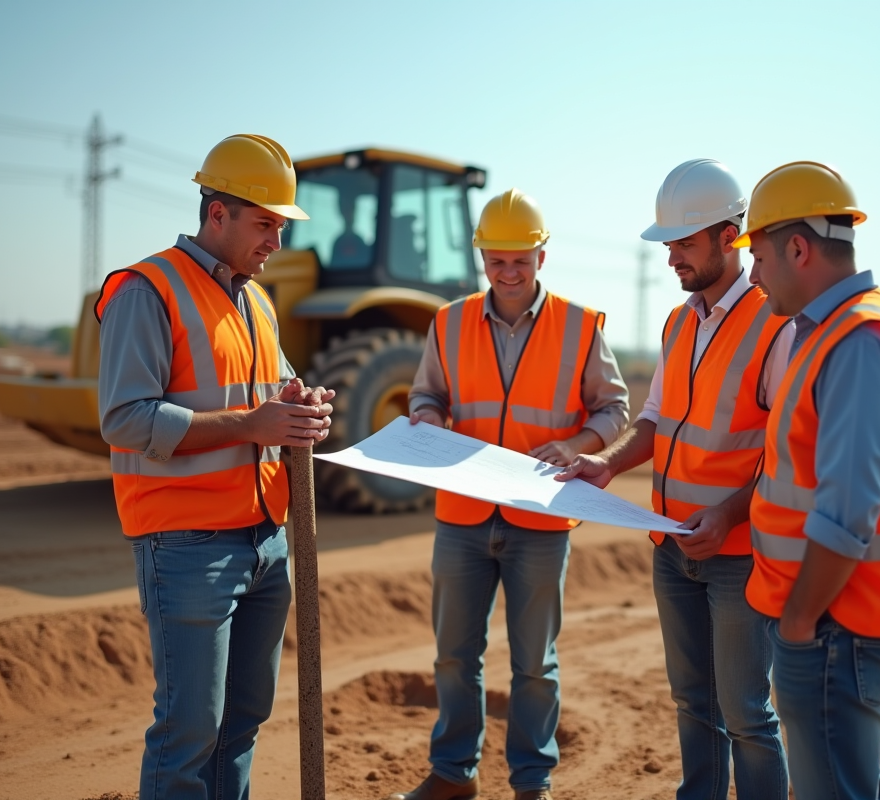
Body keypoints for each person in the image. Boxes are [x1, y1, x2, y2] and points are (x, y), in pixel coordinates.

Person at [95, 133, 334, 800]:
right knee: (188, 734)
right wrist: (252, 425)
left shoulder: (257, 301)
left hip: (265, 539)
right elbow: (124, 419)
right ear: (218, 213)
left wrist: (302, 406)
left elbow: (275, 394)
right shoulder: (148, 290)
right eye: (265, 224)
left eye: (281, 227)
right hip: (187, 544)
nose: (275, 243)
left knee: (241, 726)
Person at [556, 159, 792, 799]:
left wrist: (728, 517)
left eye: (683, 244)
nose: (671, 260)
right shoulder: (679, 321)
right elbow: (657, 419)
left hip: (737, 554)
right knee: (694, 703)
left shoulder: (777, 323)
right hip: (671, 546)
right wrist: (607, 462)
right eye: (668, 246)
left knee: (747, 715)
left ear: (729, 236)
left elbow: (784, 454)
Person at [391, 188, 630, 800]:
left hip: (541, 520)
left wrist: (578, 443)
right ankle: (453, 775)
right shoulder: (448, 322)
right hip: (462, 518)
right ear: (483, 261)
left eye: (520, 260)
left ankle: (532, 783)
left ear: (542, 257)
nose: (509, 273)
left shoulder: (581, 326)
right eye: (496, 262)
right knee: (453, 657)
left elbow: (614, 409)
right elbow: (426, 395)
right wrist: (428, 418)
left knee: (534, 666)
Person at [735, 161, 880, 800]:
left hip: (834, 623)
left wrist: (799, 623)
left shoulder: (859, 340)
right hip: (830, 621)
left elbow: (850, 507)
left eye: (761, 257)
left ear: (798, 249)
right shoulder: (829, 333)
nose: (753, 274)